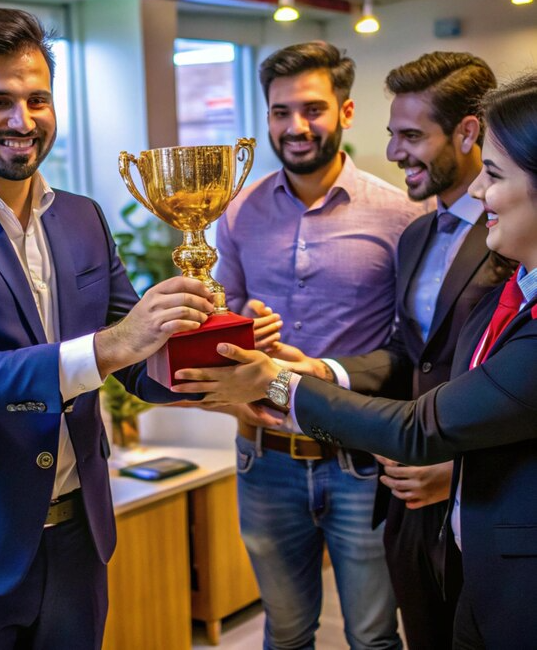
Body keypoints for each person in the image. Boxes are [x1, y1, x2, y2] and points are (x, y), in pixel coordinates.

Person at [0, 8, 213, 650]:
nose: (23, 121)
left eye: (37, 100)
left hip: (79, 535)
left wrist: (210, 345)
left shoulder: (81, 217)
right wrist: (111, 345)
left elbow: (138, 364)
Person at [172, 71, 537, 650]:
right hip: (353, 470)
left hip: (406, 472)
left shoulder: (427, 224)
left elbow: (429, 420)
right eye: (279, 111)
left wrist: (277, 382)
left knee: (374, 634)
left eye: (493, 174)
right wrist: (317, 369)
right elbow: (408, 355)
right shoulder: (461, 255)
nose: (478, 190)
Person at [266, 51, 512, 649]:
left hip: (484, 496)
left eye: (411, 136)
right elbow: (408, 353)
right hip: (407, 497)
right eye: (392, 134)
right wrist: (322, 370)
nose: (395, 152)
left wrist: (459, 470)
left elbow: (518, 381)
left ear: (468, 132)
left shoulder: (512, 233)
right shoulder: (417, 233)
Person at [210, 41, 422, 649]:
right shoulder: (238, 211)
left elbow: (411, 343)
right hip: (264, 457)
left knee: (373, 637)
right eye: (281, 112)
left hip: (361, 460)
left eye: (312, 109)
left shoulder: (401, 214)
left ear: (346, 112)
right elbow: (221, 319)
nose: (296, 127)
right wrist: (240, 325)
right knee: (285, 633)